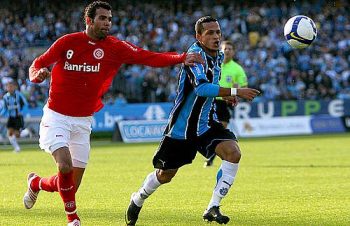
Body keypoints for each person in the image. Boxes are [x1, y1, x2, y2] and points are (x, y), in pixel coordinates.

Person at [22, 1, 203, 226]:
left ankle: (36, 183)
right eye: (102, 18)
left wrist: (180, 58)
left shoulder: (115, 48)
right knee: (65, 166)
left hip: (83, 120)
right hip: (56, 116)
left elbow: (147, 57)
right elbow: (38, 63)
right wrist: (36, 75)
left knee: (68, 184)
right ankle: (73, 219)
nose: (107, 22)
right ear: (89, 20)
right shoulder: (67, 42)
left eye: (109, 18)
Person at [125, 16, 260, 226]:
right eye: (210, 33)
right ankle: (139, 197)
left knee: (233, 153)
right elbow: (201, 88)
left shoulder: (218, 56)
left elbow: (208, 91)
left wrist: (223, 96)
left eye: (218, 32)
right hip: (182, 129)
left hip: (206, 124)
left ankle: (213, 206)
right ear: (199, 36)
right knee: (165, 175)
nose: (216, 36)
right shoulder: (193, 56)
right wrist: (236, 91)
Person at [204, 40, 248, 167]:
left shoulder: (237, 69)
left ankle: (211, 156)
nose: (227, 51)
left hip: (225, 102)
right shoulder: (214, 64)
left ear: (233, 52)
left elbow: (244, 86)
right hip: (210, 100)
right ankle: (209, 152)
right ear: (220, 50)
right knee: (210, 129)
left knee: (221, 128)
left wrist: (237, 88)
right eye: (224, 48)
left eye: (229, 49)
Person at [0, 81, 30, 153]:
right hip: (11, 117)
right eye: (8, 87)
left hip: (18, 117)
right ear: (7, 88)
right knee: (9, 133)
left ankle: (27, 132)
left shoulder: (19, 95)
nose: (10, 88)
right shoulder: (5, 97)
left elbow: (25, 104)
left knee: (17, 135)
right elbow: (5, 109)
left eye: (11, 86)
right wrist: (1, 115)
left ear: (14, 87)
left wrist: (23, 112)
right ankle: (17, 148)